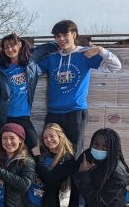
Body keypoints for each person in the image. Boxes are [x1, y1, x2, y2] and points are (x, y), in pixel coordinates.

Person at [38, 20, 121, 153]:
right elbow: (31, 70)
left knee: (73, 152)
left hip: (75, 112)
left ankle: (73, 175)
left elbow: (116, 67)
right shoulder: (51, 59)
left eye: (65, 35)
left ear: (74, 34)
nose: (61, 39)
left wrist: (101, 50)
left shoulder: (85, 54)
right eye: (57, 36)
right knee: (49, 150)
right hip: (54, 113)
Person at [0, 32, 58, 150]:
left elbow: (48, 47)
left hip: (24, 116)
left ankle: (38, 167)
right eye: (6, 47)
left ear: (20, 45)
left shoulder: (30, 61)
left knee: (35, 147)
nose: (10, 49)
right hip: (5, 117)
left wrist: (66, 46)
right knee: (2, 148)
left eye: (13, 45)